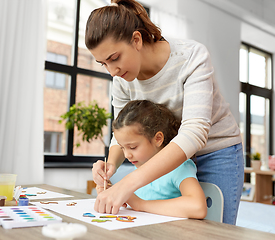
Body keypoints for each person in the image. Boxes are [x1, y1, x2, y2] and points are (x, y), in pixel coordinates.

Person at [85, 0, 244, 225]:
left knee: (215, 231)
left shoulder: (191, 56)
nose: (112, 71)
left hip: (215, 151)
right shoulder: (122, 79)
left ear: (136, 40)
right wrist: (111, 165)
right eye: (104, 64)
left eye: (114, 58)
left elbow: (194, 132)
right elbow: (122, 132)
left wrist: (128, 183)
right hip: (166, 155)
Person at [96, 100, 207, 219]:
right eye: (122, 147)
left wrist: (140, 204)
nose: (127, 155)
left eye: (133, 147)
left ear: (158, 139)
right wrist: (113, 192)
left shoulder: (180, 167)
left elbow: (198, 208)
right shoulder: (139, 166)